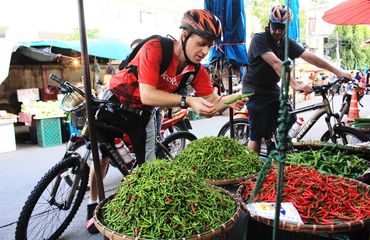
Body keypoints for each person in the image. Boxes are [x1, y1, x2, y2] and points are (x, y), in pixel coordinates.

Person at [85, 9, 247, 233]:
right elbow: (148, 94)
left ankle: (138, 217)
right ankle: (92, 203)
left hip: (142, 115)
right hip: (114, 103)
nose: (204, 51)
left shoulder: (196, 72)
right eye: (201, 43)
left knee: (147, 169)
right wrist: (188, 101)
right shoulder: (156, 48)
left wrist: (230, 101)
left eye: (209, 46)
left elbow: (212, 101)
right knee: (101, 158)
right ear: (184, 34)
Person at [241, 4, 351, 154]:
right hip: (255, 90)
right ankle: (252, 172)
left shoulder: (286, 42)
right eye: (275, 26)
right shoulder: (259, 39)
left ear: (287, 26)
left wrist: (337, 71)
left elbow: (309, 56)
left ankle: (279, 150)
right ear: (269, 23)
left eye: (282, 27)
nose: (278, 31)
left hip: (272, 89)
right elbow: (276, 63)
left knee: (289, 119)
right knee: (256, 134)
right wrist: (294, 84)